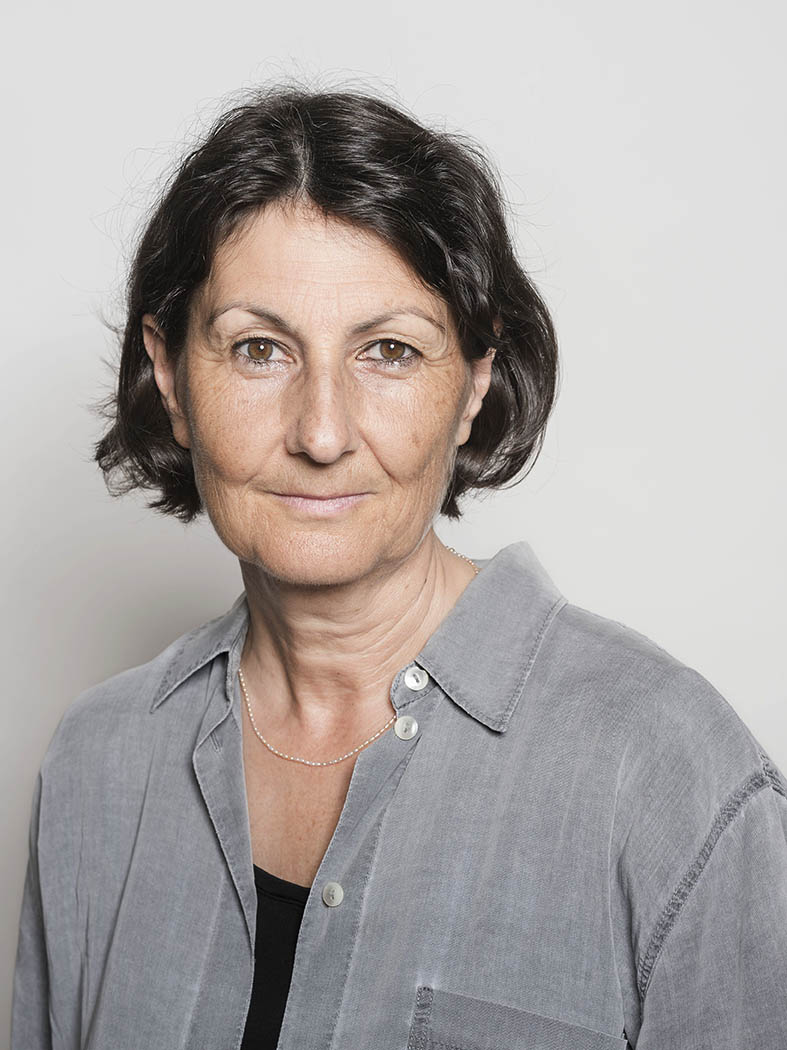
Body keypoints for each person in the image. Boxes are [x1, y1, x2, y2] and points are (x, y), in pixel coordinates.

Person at [10, 85, 787, 1050]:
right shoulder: (98, 763)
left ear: (473, 384)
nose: (321, 432)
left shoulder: (668, 776)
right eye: (259, 349)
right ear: (170, 376)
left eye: (387, 350)